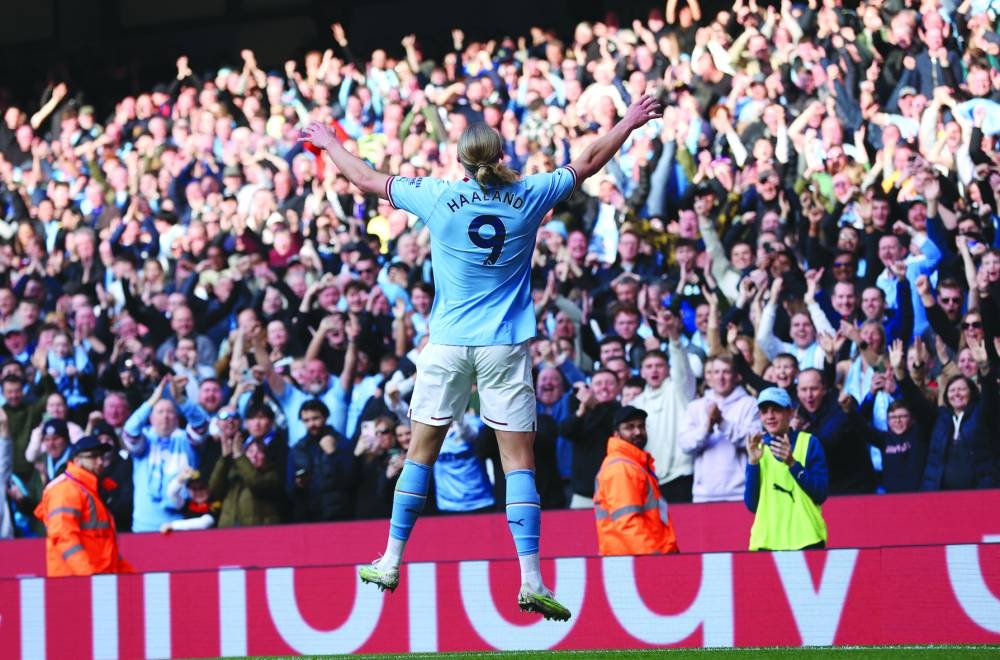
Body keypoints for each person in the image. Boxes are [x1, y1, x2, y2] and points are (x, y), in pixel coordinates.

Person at [303, 92, 662, 621]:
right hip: (504, 344)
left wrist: (330, 141)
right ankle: (532, 577)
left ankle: (391, 560)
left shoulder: (437, 197)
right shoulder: (532, 194)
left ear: (461, 161)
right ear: (500, 153)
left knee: (420, 452)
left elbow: (366, 180)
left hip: (448, 343)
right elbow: (586, 161)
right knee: (519, 461)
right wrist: (629, 122)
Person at [33, 435, 135, 577]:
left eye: (101, 456)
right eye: (93, 456)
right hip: (74, 583)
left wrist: (132, 578)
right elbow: (64, 537)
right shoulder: (66, 490)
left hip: (97, 579)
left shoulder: (91, 490)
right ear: (77, 460)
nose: (100, 462)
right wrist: (87, 576)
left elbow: (105, 548)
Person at [744, 388, 829, 552]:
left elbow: (820, 493)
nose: (769, 416)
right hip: (766, 543)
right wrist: (753, 463)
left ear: (789, 412)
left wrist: (792, 463)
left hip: (807, 540)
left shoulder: (810, 443)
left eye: (776, 410)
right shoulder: (757, 447)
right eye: (764, 411)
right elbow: (752, 505)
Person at [593, 405, 679, 556]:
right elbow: (627, 522)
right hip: (634, 559)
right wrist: (655, 558)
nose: (638, 432)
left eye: (641, 426)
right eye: (629, 427)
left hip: (638, 556)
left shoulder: (634, 465)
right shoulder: (621, 468)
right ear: (617, 433)